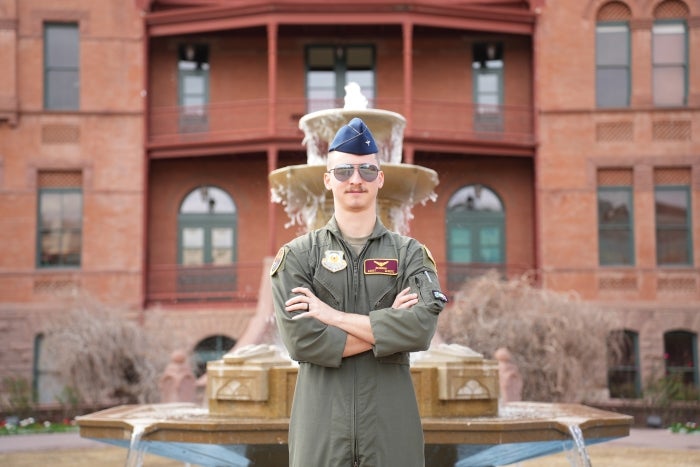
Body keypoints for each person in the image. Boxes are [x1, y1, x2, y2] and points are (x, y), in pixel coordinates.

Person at [270, 117, 448, 467]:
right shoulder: (298, 257)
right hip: (320, 431)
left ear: (380, 179)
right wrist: (387, 327)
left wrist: (331, 316)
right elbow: (302, 342)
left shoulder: (409, 254)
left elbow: (419, 329)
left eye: (367, 170)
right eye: (343, 171)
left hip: (391, 432)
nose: (355, 179)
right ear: (327, 180)